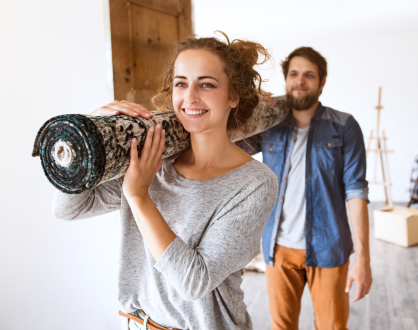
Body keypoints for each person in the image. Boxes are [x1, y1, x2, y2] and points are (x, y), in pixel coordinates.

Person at [53, 34, 278, 330]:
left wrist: (138, 196)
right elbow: (69, 208)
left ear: (233, 96)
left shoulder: (255, 183)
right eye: (181, 83)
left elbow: (194, 282)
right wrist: (85, 135)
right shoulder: (153, 161)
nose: (191, 96)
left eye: (207, 84)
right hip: (138, 323)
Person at [238, 47, 372, 330]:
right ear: (286, 80)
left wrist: (363, 259)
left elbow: (356, 193)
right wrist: (250, 105)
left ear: (321, 82)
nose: (300, 81)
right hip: (278, 247)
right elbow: (227, 144)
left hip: (329, 246)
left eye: (309, 75)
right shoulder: (269, 126)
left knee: (333, 326)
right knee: (282, 327)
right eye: (294, 74)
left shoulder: (345, 126)